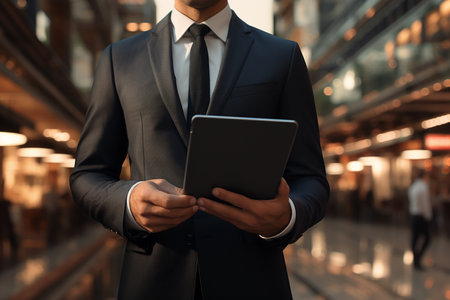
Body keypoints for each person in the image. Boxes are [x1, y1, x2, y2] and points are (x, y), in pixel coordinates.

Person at [70, 0, 329, 299]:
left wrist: (287, 217)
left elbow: (312, 180)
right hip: (151, 283)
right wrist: (128, 203)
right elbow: (87, 175)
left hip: (252, 283)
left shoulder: (282, 57)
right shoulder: (120, 59)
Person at [408, 169, 432, 270]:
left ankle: (415, 259)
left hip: (414, 215)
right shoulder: (423, 187)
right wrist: (428, 216)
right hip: (421, 216)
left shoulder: (413, 187)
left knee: (415, 239)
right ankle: (417, 258)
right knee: (427, 238)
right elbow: (425, 204)